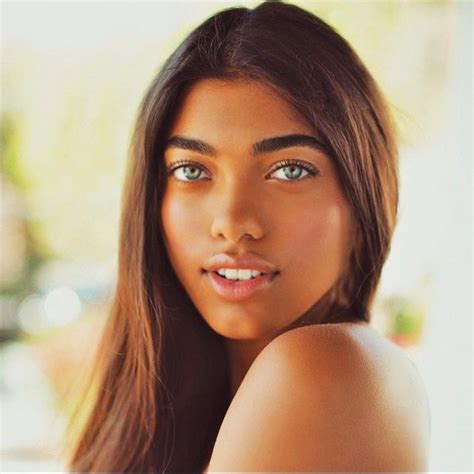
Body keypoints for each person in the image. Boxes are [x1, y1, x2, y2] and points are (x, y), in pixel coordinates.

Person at [68, 2, 430, 472]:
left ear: (362, 195)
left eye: (290, 169)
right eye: (192, 169)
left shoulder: (329, 368)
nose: (233, 222)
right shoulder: (178, 410)